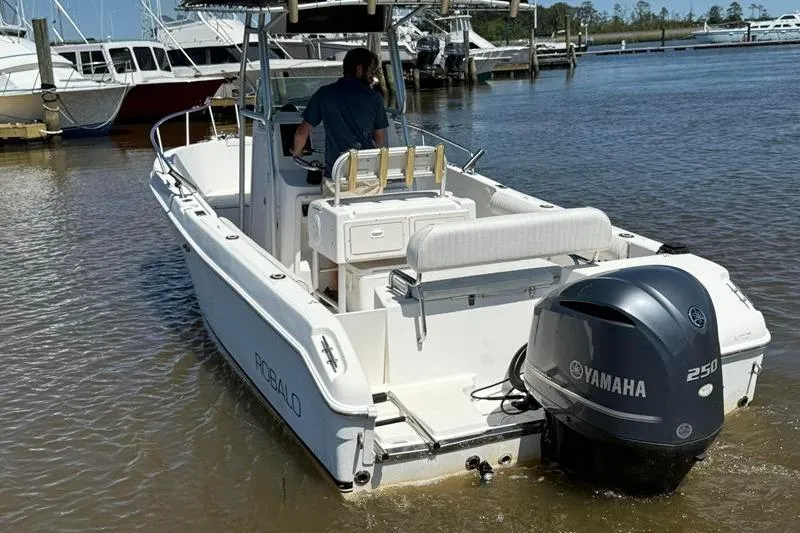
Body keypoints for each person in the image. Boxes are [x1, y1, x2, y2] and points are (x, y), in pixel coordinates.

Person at [292, 47, 389, 177]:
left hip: (337, 174)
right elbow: (380, 141)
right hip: (367, 173)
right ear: (359, 69)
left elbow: (301, 134)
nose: (372, 75)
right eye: (370, 70)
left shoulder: (324, 94)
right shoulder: (374, 97)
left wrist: (297, 152)